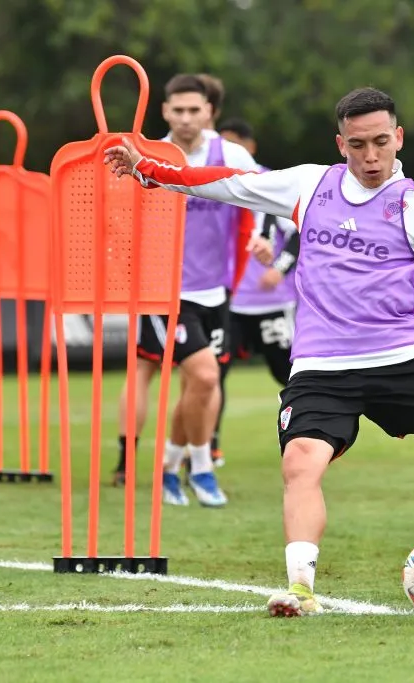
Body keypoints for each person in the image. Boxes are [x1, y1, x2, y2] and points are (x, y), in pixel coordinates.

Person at [104, 87, 414, 618]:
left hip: (399, 360)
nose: (371, 156)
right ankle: (301, 589)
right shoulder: (310, 185)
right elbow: (225, 184)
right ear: (341, 144)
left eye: (381, 142)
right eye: (358, 145)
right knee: (300, 463)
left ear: (398, 138)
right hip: (320, 365)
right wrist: (147, 168)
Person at [113, 73, 270, 509]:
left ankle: (172, 466)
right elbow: (119, 218)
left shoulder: (231, 154)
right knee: (202, 375)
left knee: (199, 386)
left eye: (194, 110)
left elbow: (261, 199)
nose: (185, 118)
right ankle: (199, 467)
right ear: (165, 111)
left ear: (210, 113)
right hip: (163, 293)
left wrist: (260, 237)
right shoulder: (145, 155)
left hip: (215, 290)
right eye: (177, 110)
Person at [207, 118, 301, 467]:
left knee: (291, 374)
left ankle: (308, 435)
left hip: (271, 303)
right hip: (227, 300)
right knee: (213, 374)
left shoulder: (270, 183)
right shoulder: (215, 182)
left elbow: (297, 232)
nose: (227, 153)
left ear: (250, 147)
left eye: (234, 145)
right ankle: (209, 445)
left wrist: (279, 269)